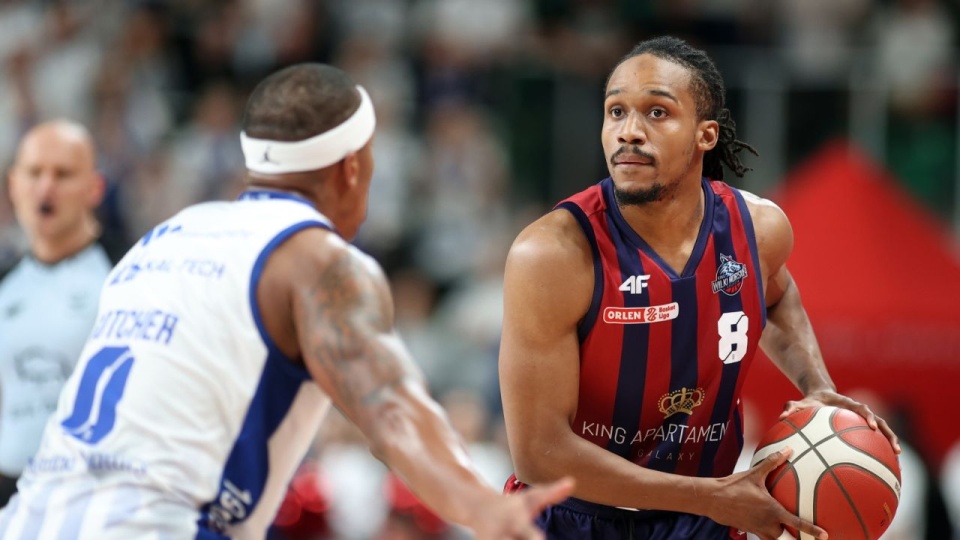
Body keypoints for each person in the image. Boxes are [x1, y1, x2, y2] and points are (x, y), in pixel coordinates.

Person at [0, 64, 572, 539]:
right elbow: (393, 414)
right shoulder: (319, 262)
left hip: (29, 516)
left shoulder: (161, 237)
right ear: (352, 167)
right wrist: (483, 507)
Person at [498, 36, 901, 540]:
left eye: (657, 112)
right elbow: (539, 455)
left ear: (705, 134)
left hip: (703, 519)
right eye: (616, 111)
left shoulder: (758, 230)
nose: (629, 131)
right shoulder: (552, 254)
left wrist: (816, 384)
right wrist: (709, 497)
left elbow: (777, 296)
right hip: (572, 517)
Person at [0, 120, 112, 507]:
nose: (46, 188)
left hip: (92, 496)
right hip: (10, 493)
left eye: (62, 174)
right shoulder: (6, 284)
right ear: (14, 185)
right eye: (34, 173)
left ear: (95, 187)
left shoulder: (126, 275)